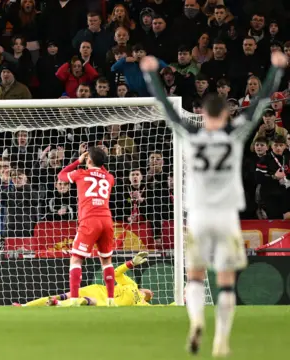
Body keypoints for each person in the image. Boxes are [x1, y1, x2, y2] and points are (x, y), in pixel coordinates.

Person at [141, 51, 287, 357]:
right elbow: (260, 102)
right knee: (225, 281)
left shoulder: (190, 135)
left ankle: (195, 321)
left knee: (195, 275)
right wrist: (275, 70)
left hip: (198, 216)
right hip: (226, 217)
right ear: (225, 115)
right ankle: (221, 338)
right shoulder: (234, 135)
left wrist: (151, 75)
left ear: (204, 115)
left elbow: (166, 109)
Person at [56, 147, 116, 307]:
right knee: (106, 260)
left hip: (90, 220)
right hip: (107, 221)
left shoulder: (81, 173)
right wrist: (96, 158)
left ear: (88, 160)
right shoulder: (109, 177)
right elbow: (100, 167)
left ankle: (74, 299)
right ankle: (111, 300)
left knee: (76, 259)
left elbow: (60, 175)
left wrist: (78, 160)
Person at [13, 252, 151, 307]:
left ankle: (53, 304)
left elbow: (163, 308)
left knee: (76, 299)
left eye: (150, 294)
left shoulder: (142, 304)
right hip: (100, 293)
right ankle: (27, 305)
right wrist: (131, 263)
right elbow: (116, 273)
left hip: (107, 300)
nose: (150, 292)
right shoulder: (132, 285)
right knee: (71, 297)